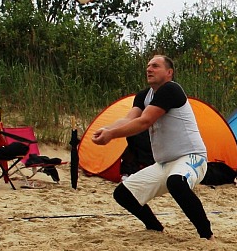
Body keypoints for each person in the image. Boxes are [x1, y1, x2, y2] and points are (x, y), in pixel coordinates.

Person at [91, 54, 214, 239]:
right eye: (148, 66)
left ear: (169, 72)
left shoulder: (171, 90)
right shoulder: (143, 96)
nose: (149, 69)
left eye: (155, 66)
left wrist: (112, 135)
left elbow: (145, 121)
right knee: (123, 194)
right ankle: (155, 228)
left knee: (176, 182)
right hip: (164, 164)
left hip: (191, 157)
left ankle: (207, 235)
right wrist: (106, 129)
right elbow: (128, 119)